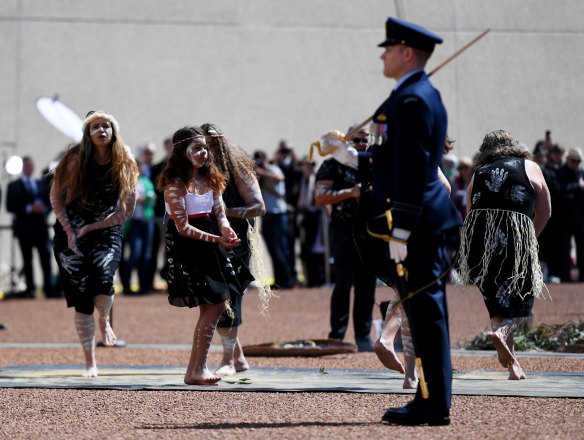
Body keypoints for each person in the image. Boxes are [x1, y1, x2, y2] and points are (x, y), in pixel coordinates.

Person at [320, 17, 462, 425]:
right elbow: (391, 159)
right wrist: (350, 158)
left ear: (407, 53)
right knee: (421, 314)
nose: (382, 54)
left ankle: (433, 404)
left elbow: (414, 171)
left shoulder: (415, 99)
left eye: (389, 48)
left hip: (415, 224)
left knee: (426, 314)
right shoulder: (408, 95)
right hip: (415, 222)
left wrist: (401, 227)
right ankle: (429, 398)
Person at [157, 126, 253, 385]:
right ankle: (197, 369)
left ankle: (196, 369)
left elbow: (219, 212)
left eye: (204, 147)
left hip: (211, 242)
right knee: (214, 305)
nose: (203, 152)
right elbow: (182, 227)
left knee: (215, 305)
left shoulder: (211, 177)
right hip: (189, 247)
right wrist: (217, 238)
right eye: (196, 148)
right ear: (182, 152)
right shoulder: (175, 184)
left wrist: (226, 228)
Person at [50, 110, 138, 377]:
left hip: (105, 230)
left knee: (103, 278)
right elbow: (55, 197)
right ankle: (90, 362)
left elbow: (126, 212)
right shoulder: (74, 160)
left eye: (106, 126)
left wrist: (91, 227)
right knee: (81, 300)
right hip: (69, 232)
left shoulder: (125, 162)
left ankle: (105, 321)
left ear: (113, 132)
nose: (102, 130)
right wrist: (71, 231)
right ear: (88, 133)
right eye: (95, 127)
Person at [458, 130, 551, 379]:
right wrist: (530, 238)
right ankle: (504, 332)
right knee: (525, 291)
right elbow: (546, 211)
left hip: (479, 238)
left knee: (495, 300)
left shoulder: (478, 172)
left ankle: (513, 367)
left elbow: (469, 210)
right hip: (514, 234)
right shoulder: (529, 166)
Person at [201, 122, 267, 377]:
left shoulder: (237, 168)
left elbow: (258, 206)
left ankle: (228, 360)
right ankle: (238, 358)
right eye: (203, 146)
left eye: (212, 145)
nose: (207, 151)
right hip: (208, 240)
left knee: (229, 296)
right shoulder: (199, 170)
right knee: (214, 298)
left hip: (235, 240)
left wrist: (225, 213)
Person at [314, 124, 377, 352]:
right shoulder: (332, 165)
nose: (362, 144)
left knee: (367, 286)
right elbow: (320, 197)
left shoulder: (371, 164)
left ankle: (363, 337)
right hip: (344, 230)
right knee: (343, 283)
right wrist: (349, 193)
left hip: (370, 232)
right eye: (356, 140)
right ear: (346, 142)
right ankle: (337, 335)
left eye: (365, 140)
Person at [6, 156, 56, 298]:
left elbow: (50, 202)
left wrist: (43, 209)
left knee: (45, 259)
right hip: (24, 229)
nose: (29, 168)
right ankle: (31, 288)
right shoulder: (14, 186)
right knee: (27, 260)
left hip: (40, 228)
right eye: (26, 166)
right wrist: (29, 208)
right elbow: (10, 206)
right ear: (22, 167)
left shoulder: (40, 184)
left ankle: (48, 288)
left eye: (31, 166)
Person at [254, 150, 296, 289]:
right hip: (267, 216)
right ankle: (279, 280)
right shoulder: (259, 175)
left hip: (279, 215)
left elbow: (279, 178)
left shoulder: (273, 169)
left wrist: (261, 171)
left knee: (281, 249)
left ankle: (288, 281)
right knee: (273, 250)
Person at [120, 157, 156, 295]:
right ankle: (127, 286)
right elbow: (122, 201)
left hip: (147, 221)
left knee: (145, 255)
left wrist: (149, 199)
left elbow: (152, 201)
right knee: (135, 254)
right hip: (133, 223)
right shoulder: (127, 183)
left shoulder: (146, 182)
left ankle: (144, 286)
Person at [555, 147, 584, 282]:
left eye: (578, 161)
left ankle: (581, 276)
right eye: (573, 161)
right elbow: (558, 190)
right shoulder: (560, 172)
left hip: (579, 216)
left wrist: (572, 192)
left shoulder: (581, 172)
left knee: (581, 246)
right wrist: (576, 187)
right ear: (567, 159)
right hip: (564, 216)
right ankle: (565, 277)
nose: (575, 164)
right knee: (564, 247)